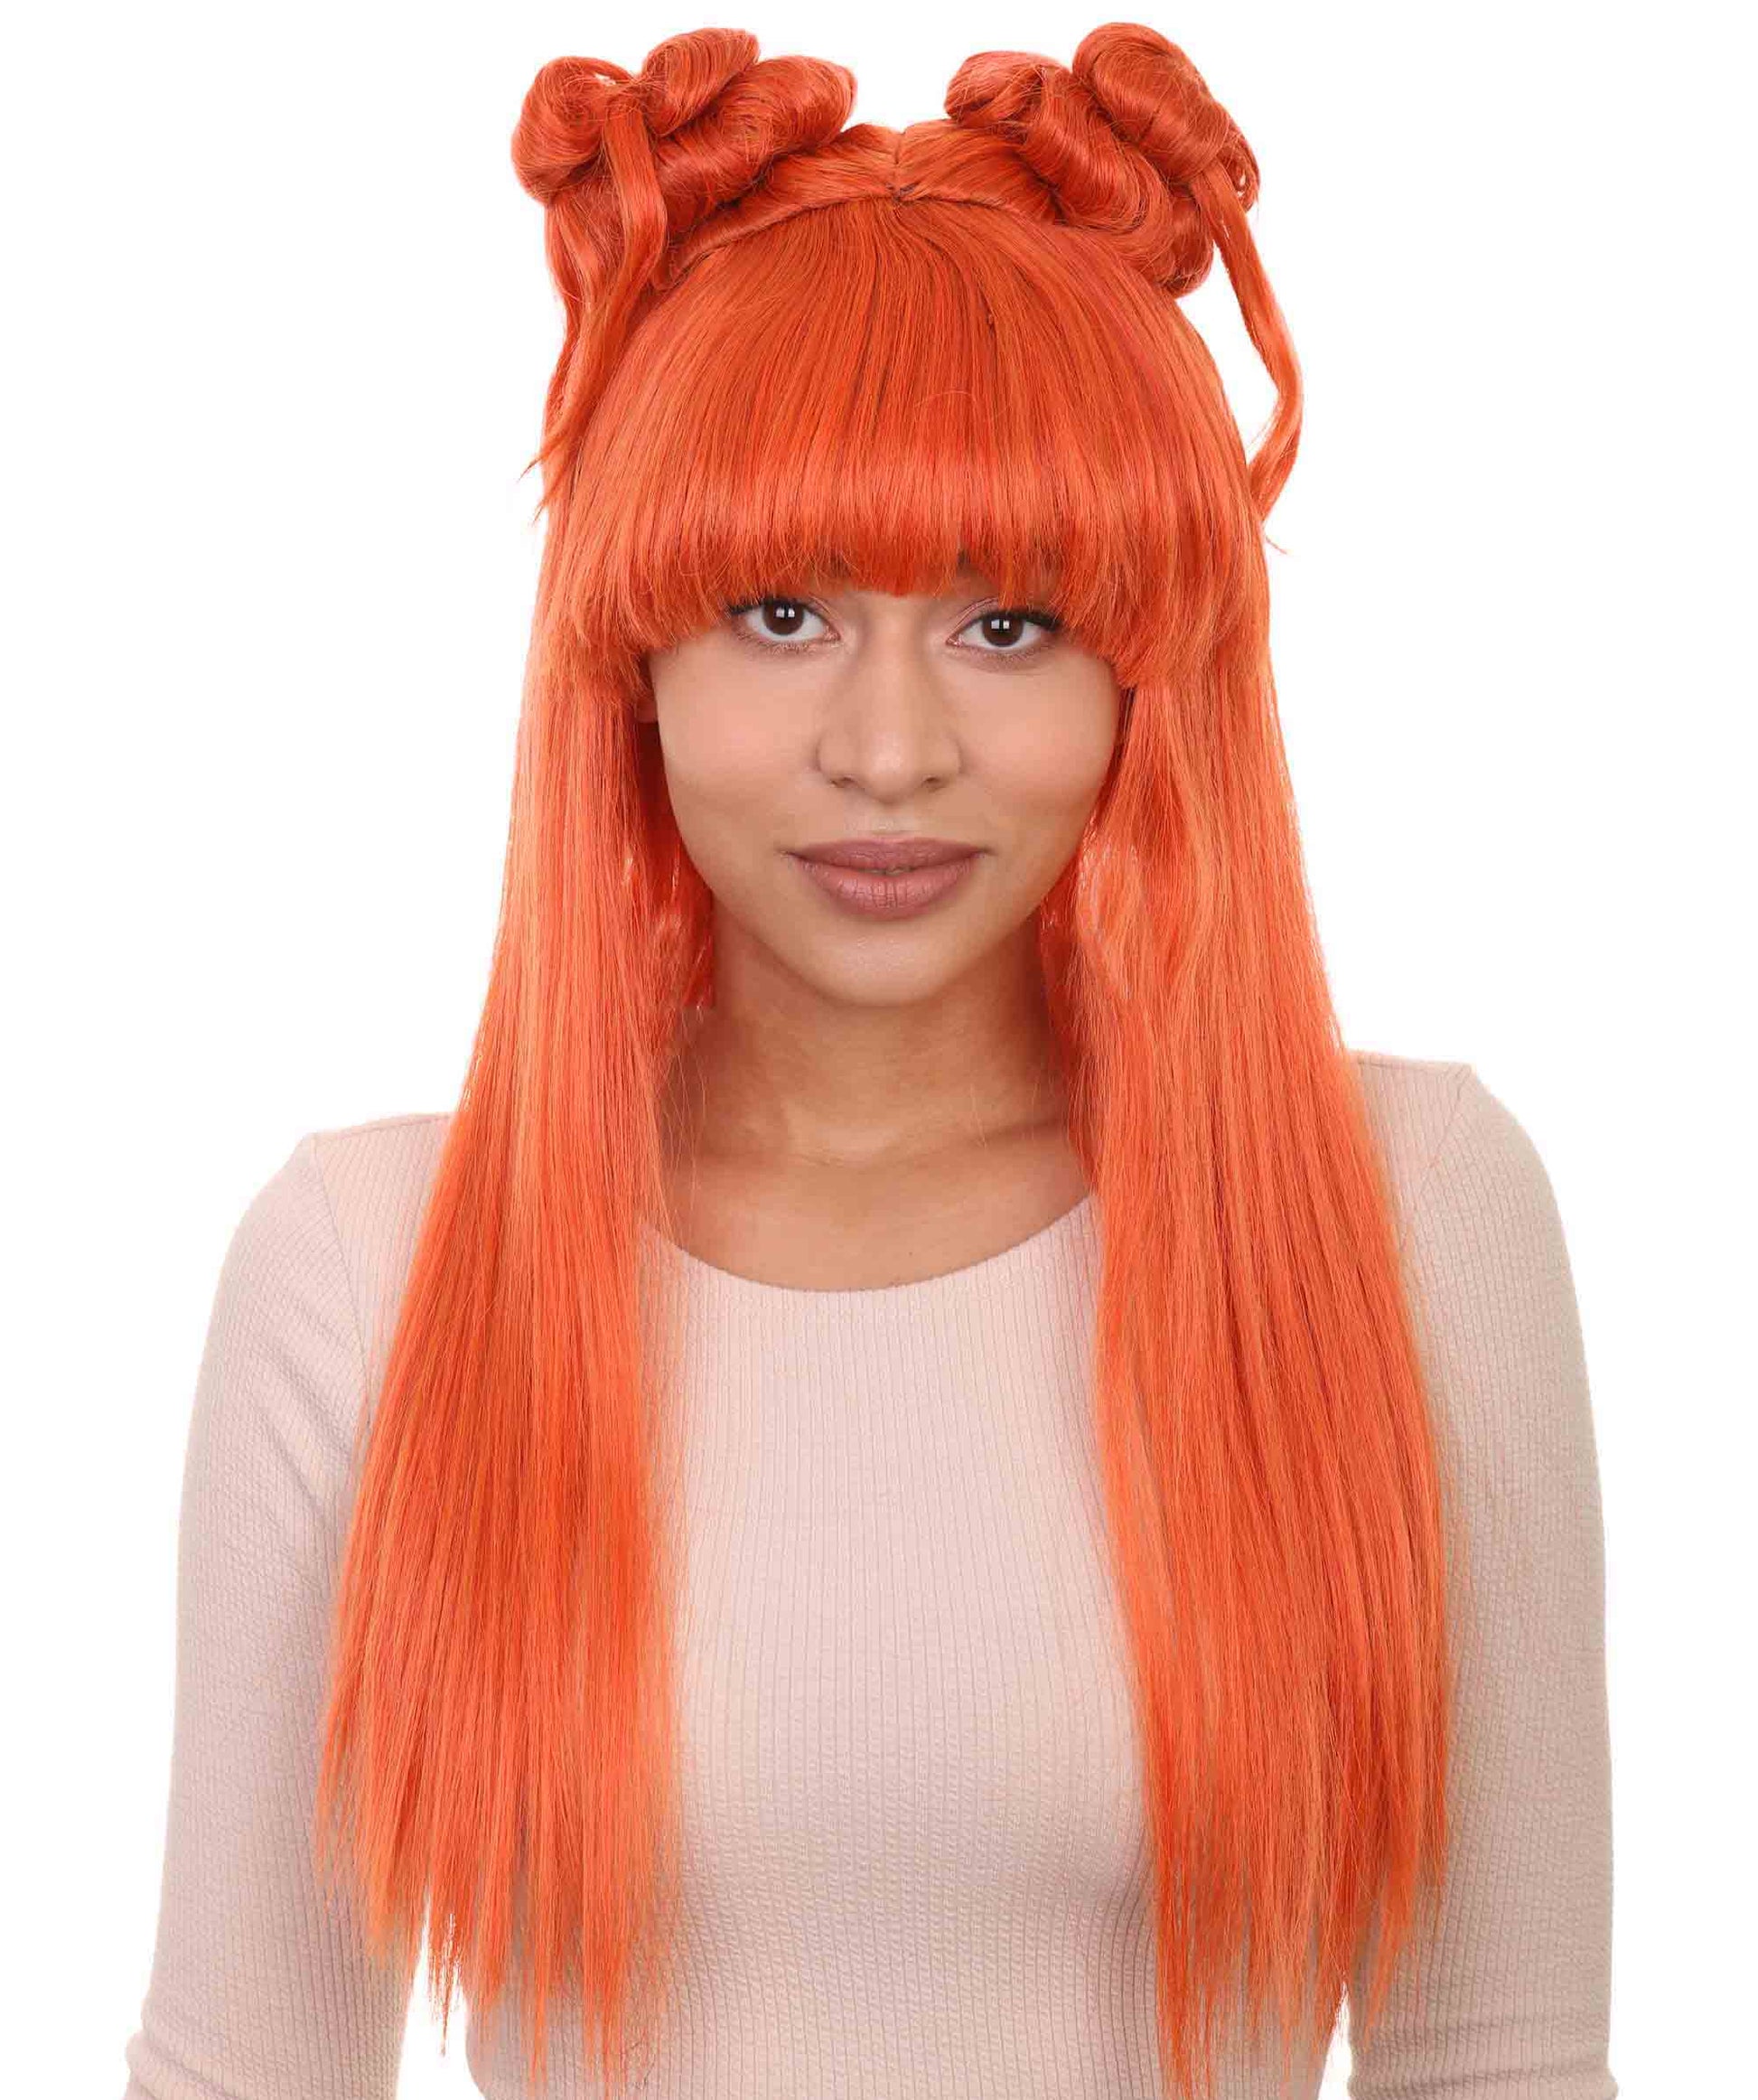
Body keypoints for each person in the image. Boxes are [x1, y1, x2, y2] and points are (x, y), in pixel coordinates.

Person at [118, 23, 1617, 2100]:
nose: (890, 750)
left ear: (1146, 670)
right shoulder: (371, 1261)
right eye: (779, 613)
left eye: (1005, 624)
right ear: (630, 660)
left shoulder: (1401, 1207)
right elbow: (244, 2075)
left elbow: (1499, 2064)